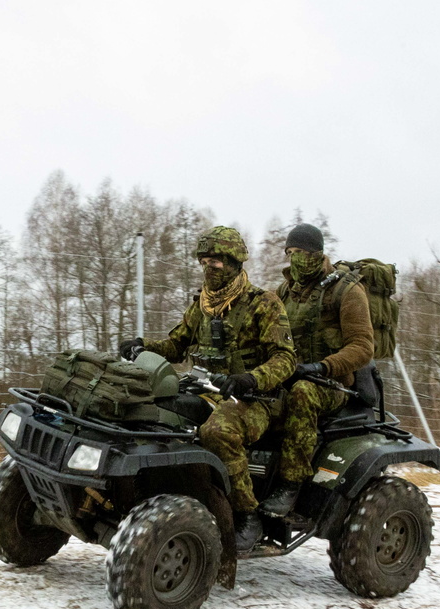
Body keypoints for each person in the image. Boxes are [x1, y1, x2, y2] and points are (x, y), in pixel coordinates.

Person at [119, 226, 295, 553]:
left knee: (218, 432)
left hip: (256, 399)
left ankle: (247, 515)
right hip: (204, 387)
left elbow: (284, 359)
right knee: (155, 416)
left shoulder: (264, 304)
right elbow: (176, 344)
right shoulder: (202, 303)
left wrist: (251, 379)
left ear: (233, 262)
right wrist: (143, 347)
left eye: (214, 263)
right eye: (203, 262)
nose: (207, 269)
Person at [259, 222, 375, 518]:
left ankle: (291, 484)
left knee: (302, 393)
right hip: (288, 375)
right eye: (290, 252)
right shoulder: (284, 292)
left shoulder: (346, 290)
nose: (295, 257)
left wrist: (323, 367)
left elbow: (362, 346)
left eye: (301, 251)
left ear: (317, 252)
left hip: (332, 385)